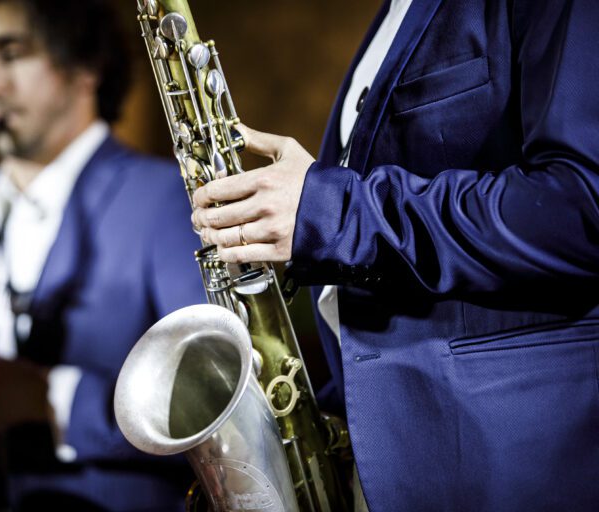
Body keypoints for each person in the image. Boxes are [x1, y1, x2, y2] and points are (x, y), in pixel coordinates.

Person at [192, 0, 599, 511]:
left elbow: (581, 207)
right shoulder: (391, 17)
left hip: (514, 466)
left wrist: (333, 212)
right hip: (393, 462)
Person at [0, 0, 204, 510]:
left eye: (11, 53)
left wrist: (50, 400)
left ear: (85, 64)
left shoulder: (165, 200)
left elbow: (217, 411)